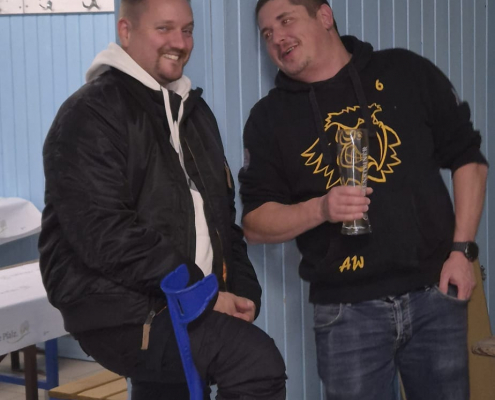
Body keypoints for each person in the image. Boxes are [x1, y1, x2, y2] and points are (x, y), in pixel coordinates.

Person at [239, 0, 489, 399]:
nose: (277, 39)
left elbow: (469, 159)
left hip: (434, 296)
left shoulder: (405, 71)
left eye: (286, 21)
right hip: (346, 314)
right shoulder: (268, 118)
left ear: (324, 16)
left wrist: (462, 251)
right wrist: (321, 208)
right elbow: (254, 223)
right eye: (267, 33)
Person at [38, 0, 287, 399]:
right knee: (255, 362)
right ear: (125, 31)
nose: (180, 42)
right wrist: (202, 293)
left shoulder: (195, 113)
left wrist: (243, 291)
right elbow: (105, 234)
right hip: (123, 310)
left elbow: (221, 220)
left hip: (185, 302)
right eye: (164, 29)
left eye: (187, 30)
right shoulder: (89, 114)